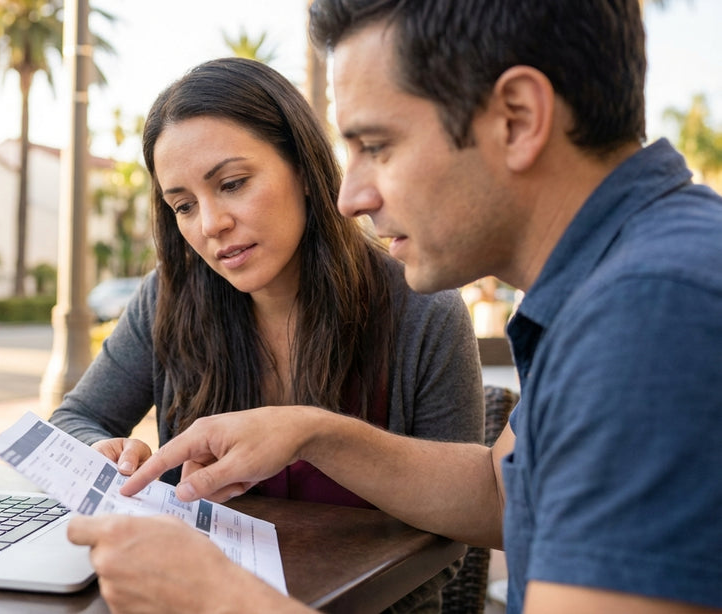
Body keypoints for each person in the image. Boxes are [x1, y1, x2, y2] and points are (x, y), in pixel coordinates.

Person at [67, 2, 722, 614]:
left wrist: (219, 598)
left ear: (517, 118)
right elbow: (500, 492)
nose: (349, 195)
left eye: (376, 146)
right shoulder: (612, 282)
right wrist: (313, 432)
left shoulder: (652, 313)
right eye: (183, 204)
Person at [51, 56, 484, 612]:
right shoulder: (170, 296)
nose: (210, 225)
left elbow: (455, 533)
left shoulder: (422, 310)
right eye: (183, 205)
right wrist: (101, 453)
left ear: (303, 168)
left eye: (232, 184)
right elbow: (74, 419)